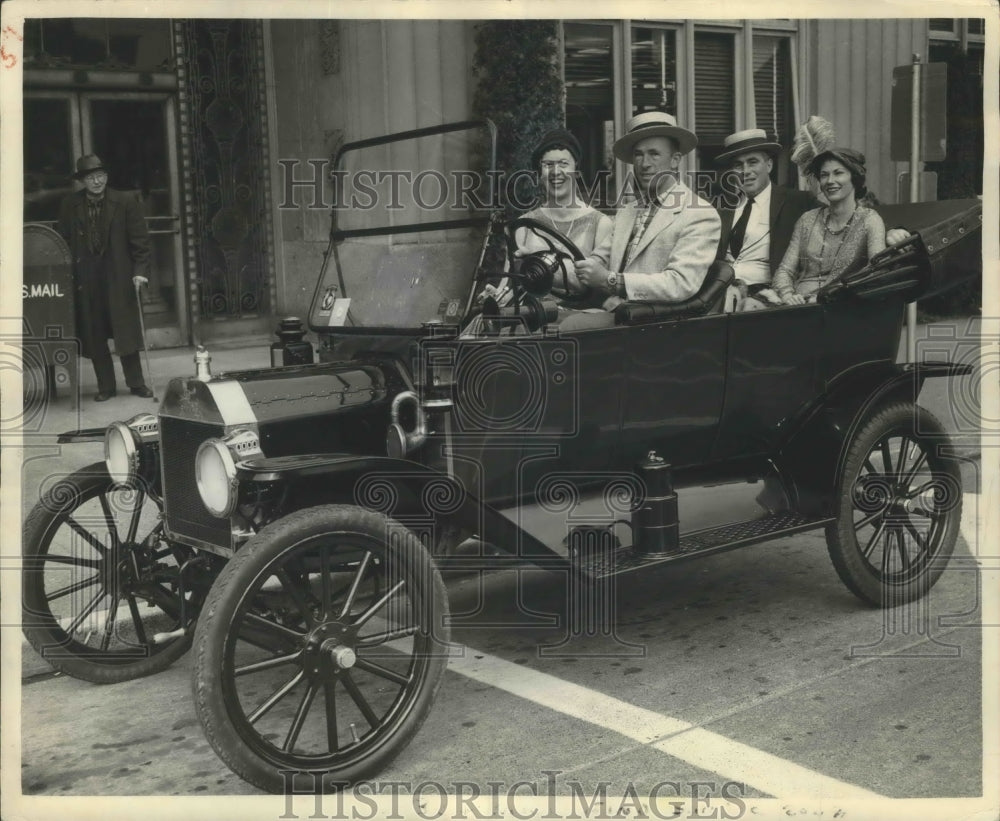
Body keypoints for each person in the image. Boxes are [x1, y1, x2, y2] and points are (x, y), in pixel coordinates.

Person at [567, 111, 721, 330]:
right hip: (616, 314)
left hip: (655, 327)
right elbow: (596, 262)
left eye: (654, 154)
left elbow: (680, 284)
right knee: (538, 318)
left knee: (564, 328)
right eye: (638, 154)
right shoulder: (628, 212)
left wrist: (611, 281)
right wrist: (544, 268)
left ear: (675, 160)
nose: (644, 163)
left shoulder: (700, 214)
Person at [57, 154, 154, 401]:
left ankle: (136, 383)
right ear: (82, 181)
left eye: (100, 176)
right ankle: (106, 387)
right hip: (87, 277)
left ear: (107, 177)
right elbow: (63, 241)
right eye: (91, 177)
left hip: (119, 274)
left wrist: (140, 272)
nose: (97, 181)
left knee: (125, 329)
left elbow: (140, 242)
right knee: (95, 332)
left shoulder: (125, 201)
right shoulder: (71, 204)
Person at [714, 129, 817, 311]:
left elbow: (838, 219)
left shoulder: (798, 202)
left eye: (753, 162)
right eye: (738, 165)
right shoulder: (722, 207)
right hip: (720, 291)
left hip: (766, 295)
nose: (746, 171)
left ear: (769, 165)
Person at [772, 148, 886, 305]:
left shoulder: (869, 220)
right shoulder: (807, 220)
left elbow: (877, 271)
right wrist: (787, 295)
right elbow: (785, 270)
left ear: (855, 177)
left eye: (838, 173)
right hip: (798, 307)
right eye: (824, 175)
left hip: (841, 306)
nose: (830, 180)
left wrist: (828, 297)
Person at [513, 129, 612, 308]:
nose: (555, 172)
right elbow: (511, 285)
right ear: (540, 173)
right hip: (531, 319)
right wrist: (497, 294)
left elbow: (598, 286)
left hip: (581, 324)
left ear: (576, 169)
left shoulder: (601, 224)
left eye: (563, 163)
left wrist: (538, 265)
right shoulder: (524, 226)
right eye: (548, 164)